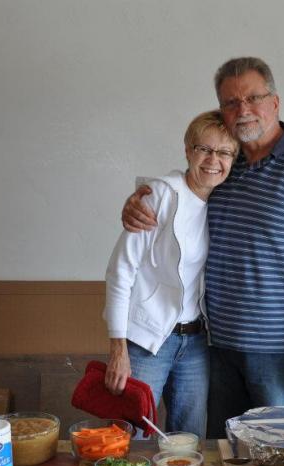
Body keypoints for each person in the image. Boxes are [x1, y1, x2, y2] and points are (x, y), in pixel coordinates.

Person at [122, 57, 284, 438]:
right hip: (219, 348)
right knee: (226, 458)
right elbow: (175, 199)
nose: (242, 110)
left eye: (253, 98)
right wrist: (137, 204)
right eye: (230, 102)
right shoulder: (224, 165)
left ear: (275, 102)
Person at [104, 110, 238, 438]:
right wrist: (118, 348)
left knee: (188, 443)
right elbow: (121, 271)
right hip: (148, 339)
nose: (213, 160)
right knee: (132, 438)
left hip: (195, 341)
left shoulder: (224, 202)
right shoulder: (161, 194)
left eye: (224, 152)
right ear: (188, 150)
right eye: (204, 149)